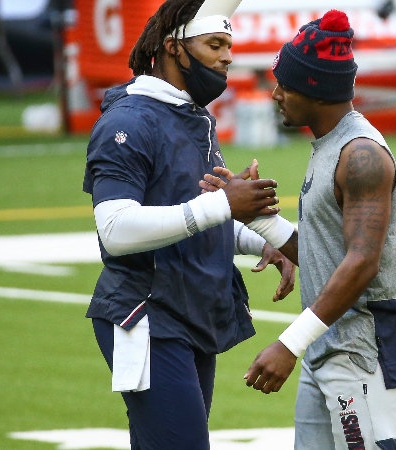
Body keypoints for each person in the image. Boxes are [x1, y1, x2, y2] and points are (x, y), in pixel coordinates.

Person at [202, 10, 396, 450]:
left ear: (315, 90)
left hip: (368, 351)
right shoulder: (330, 146)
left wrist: (289, 343)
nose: (275, 94)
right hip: (330, 343)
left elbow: (362, 264)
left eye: (284, 85)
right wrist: (257, 217)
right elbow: (328, 253)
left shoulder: (361, 154)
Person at [81, 0, 295, 448]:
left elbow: (187, 221)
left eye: (228, 45)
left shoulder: (192, 115)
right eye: (214, 44)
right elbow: (116, 230)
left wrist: (261, 245)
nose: (227, 56)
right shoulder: (128, 120)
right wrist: (224, 206)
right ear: (173, 48)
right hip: (146, 312)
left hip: (190, 307)